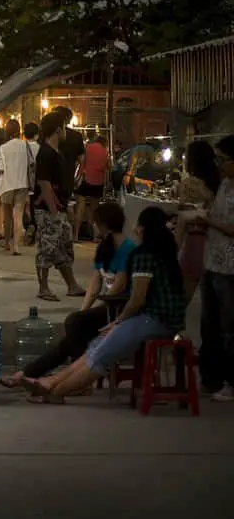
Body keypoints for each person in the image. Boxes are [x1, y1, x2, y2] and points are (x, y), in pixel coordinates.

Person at [20, 206, 187, 404]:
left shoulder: (144, 255)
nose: (134, 229)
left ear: (143, 229)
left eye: (137, 225)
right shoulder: (166, 253)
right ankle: (51, 382)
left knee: (99, 354)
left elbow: (137, 300)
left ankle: (56, 391)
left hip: (154, 320)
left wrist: (118, 322)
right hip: (165, 320)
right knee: (95, 346)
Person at [0, 202, 135, 390]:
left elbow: (119, 286)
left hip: (121, 310)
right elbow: (95, 285)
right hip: (107, 307)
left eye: (96, 223)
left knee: (74, 327)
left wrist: (85, 317)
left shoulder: (128, 249)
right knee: (70, 336)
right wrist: (83, 312)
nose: (93, 226)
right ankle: (28, 374)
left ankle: (73, 382)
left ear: (105, 225)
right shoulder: (104, 248)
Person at [196, 134, 234, 402]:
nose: (219, 165)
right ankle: (211, 379)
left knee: (229, 328)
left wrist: (209, 222)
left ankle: (230, 382)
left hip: (230, 268)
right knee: (208, 325)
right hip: (212, 261)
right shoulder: (225, 185)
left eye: (223, 160)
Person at [33, 112, 85, 301]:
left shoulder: (58, 153)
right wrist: (54, 212)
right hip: (48, 209)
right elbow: (44, 184)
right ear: (57, 130)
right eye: (64, 126)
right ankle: (43, 287)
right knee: (47, 247)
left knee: (64, 246)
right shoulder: (46, 153)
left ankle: (72, 284)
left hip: (59, 207)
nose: (66, 131)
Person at [175, 140, 220, 304]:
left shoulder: (190, 185)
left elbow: (185, 218)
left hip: (195, 241)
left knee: (182, 297)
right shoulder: (219, 182)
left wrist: (174, 248)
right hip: (216, 242)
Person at [0, 119, 31, 255]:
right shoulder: (26, 146)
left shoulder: (2, 148)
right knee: (18, 214)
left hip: (7, 184)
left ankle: (6, 243)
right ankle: (16, 246)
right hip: (22, 183)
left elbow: (1, 168)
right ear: (19, 130)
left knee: (7, 214)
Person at [74, 134, 109, 241]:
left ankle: (75, 235)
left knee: (81, 206)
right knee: (94, 210)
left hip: (87, 180)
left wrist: (78, 176)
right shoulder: (106, 151)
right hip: (98, 183)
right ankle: (95, 236)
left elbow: (82, 162)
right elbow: (107, 167)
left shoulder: (88, 147)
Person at [52, 106, 85, 201]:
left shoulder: (47, 134)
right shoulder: (76, 136)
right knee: (66, 205)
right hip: (68, 179)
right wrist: (78, 177)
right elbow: (82, 160)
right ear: (68, 119)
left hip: (50, 179)